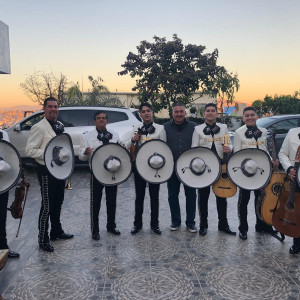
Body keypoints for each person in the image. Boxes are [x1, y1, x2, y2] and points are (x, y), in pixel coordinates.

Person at [26, 97, 73, 252]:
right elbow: (30, 150)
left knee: (58, 201)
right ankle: (43, 238)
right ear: (44, 109)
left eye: (56, 107)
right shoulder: (39, 127)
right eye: (50, 107)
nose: (54, 109)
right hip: (45, 170)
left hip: (59, 170)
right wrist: (48, 154)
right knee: (47, 205)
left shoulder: (59, 126)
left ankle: (56, 231)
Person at [191, 103, 236, 236]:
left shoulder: (223, 127)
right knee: (203, 198)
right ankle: (203, 225)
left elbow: (229, 144)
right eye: (208, 111)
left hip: (220, 166)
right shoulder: (197, 129)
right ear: (204, 114)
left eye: (213, 111)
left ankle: (223, 225)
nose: (210, 113)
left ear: (216, 113)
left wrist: (229, 148)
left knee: (222, 197)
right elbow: (194, 149)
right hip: (203, 168)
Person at [233, 106, 277, 240]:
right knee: (243, 200)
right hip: (245, 172)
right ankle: (243, 228)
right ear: (243, 118)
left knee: (262, 199)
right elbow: (236, 154)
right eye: (247, 115)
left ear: (257, 116)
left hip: (263, 171)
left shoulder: (264, 131)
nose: (250, 117)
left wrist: (273, 161)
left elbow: (267, 150)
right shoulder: (239, 132)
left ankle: (262, 225)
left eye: (252, 115)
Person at [79, 111, 121, 241]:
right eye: (98, 118)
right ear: (94, 121)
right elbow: (81, 157)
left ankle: (111, 226)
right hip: (96, 173)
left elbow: (121, 149)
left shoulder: (114, 134)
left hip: (111, 172)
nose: (101, 120)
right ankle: (95, 230)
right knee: (95, 202)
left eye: (103, 118)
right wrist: (85, 153)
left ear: (107, 121)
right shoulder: (87, 136)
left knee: (111, 201)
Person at [125, 103, 166, 235]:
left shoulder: (160, 129)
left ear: (152, 112)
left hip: (155, 167)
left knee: (154, 197)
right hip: (140, 166)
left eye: (148, 111)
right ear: (140, 114)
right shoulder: (136, 128)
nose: (146, 113)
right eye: (143, 111)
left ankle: (155, 224)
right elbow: (127, 145)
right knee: (139, 196)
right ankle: (137, 224)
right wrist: (133, 139)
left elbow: (164, 148)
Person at [164, 103, 197, 232]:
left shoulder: (194, 127)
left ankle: (190, 222)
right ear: (172, 113)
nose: (179, 114)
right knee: (172, 195)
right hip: (172, 167)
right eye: (176, 112)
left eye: (181, 112)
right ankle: (176, 221)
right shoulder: (165, 127)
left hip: (189, 168)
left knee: (191, 196)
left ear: (185, 113)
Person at [278, 127, 300, 254]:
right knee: (296, 211)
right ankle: (297, 242)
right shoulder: (292, 132)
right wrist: (289, 167)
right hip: (295, 178)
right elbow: (282, 154)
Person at [0, 129, 20, 258]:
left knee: (1, 215)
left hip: (2, 179)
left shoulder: (3, 134)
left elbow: (9, 156)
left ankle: (3, 247)